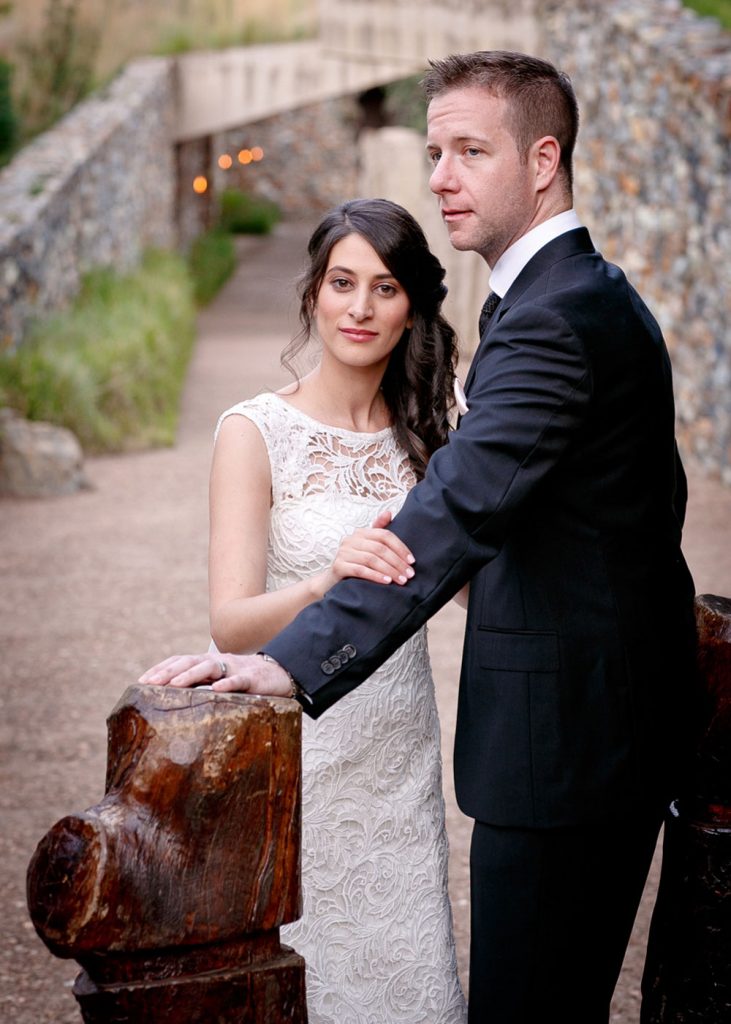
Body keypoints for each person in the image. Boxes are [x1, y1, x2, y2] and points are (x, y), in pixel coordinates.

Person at [142, 51, 698, 1022]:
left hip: (563, 747)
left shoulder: (552, 318)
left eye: (468, 150)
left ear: (540, 159)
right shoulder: (573, 295)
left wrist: (288, 663)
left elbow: (456, 511)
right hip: (588, 733)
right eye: (434, 149)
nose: (438, 174)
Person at [140, 198, 468, 1023]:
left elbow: (466, 584)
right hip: (305, 756)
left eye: (385, 288)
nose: (359, 308)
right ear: (313, 294)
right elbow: (231, 621)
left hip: (401, 752)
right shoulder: (256, 432)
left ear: (411, 309)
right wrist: (326, 580)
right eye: (341, 283)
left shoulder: (433, 434)